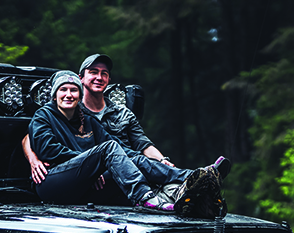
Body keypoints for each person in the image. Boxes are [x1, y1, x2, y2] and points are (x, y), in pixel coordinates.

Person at [23, 52, 230, 184]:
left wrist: (163, 161)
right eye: (93, 72)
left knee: (142, 163)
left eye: (104, 74)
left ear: (109, 80)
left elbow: (142, 143)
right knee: (133, 164)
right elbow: (31, 135)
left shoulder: (122, 112)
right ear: (81, 78)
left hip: (128, 165)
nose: (99, 77)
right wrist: (33, 159)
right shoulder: (73, 109)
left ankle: (200, 178)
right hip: (93, 171)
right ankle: (194, 178)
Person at [30, 70, 220, 214]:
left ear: (79, 95)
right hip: (51, 183)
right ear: (54, 95)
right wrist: (92, 166)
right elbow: (47, 150)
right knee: (108, 149)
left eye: (73, 90)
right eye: (63, 90)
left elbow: (120, 150)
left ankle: (192, 177)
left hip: (82, 188)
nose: (68, 95)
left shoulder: (87, 121)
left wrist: (140, 159)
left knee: (132, 158)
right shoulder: (43, 116)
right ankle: (144, 197)